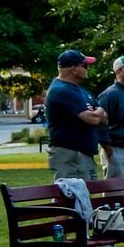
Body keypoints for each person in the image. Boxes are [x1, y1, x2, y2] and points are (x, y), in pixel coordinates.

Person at [44, 49, 107, 180]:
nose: (87, 69)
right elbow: (94, 119)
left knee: (84, 197)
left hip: (83, 156)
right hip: (71, 156)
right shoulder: (61, 90)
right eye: (84, 66)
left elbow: (105, 118)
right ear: (73, 69)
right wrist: (98, 112)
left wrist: (99, 113)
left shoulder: (82, 91)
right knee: (73, 196)